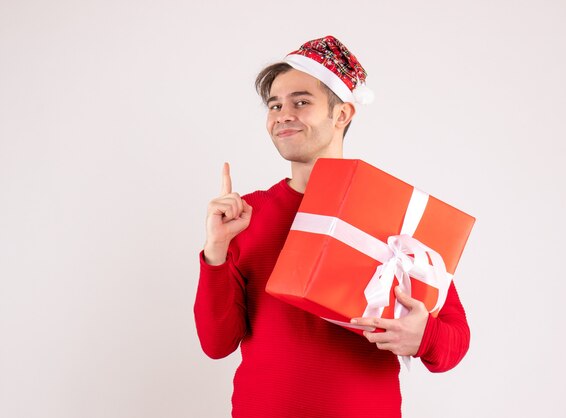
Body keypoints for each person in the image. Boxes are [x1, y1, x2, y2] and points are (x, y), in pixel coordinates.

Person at [194, 35, 470, 418]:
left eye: (301, 102)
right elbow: (216, 343)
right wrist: (216, 252)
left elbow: (454, 341)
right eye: (274, 105)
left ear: (342, 115)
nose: (282, 115)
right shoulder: (246, 215)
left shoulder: (393, 213)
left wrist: (425, 336)